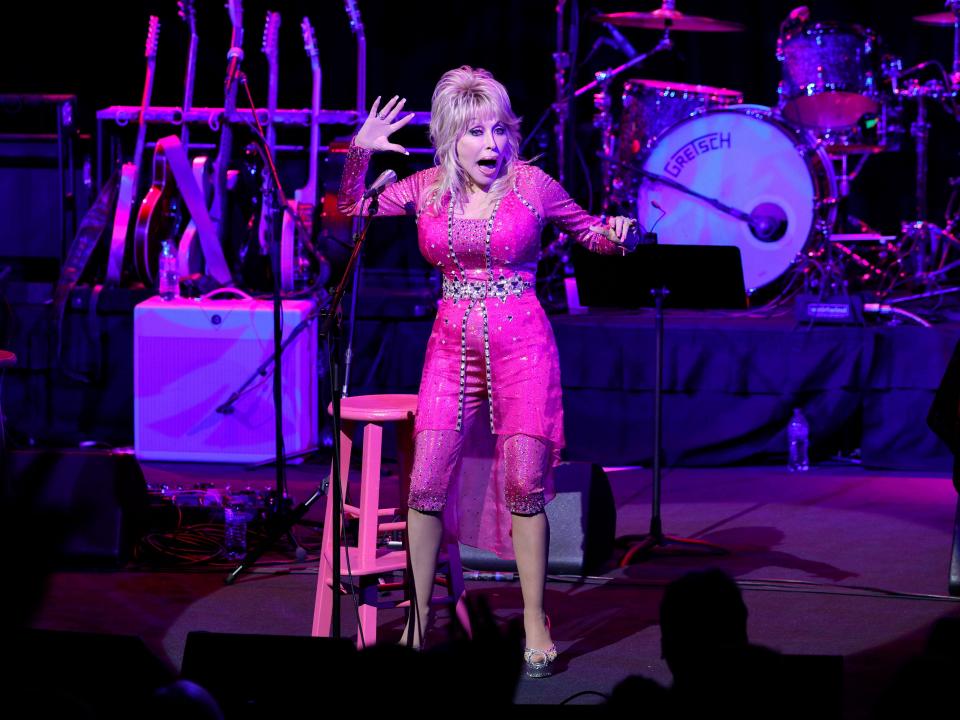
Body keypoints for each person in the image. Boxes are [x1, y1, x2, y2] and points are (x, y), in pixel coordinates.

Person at [338, 65, 637, 677]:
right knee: (424, 484)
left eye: (501, 130)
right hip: (449, 347)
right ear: (450, 136)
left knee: (525, 486)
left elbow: (593, 235)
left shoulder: (533, 185)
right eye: (477, 132)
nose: (493, 145)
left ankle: (533, 619)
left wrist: (623, 234)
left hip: (523, 345)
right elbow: (350, 208)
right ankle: (419, 620)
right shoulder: (424, 187)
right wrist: (357, 153)